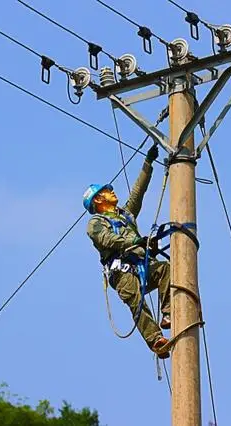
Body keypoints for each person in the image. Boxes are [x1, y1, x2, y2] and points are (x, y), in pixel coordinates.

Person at [83, 144, 171, 358]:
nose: (112, 192)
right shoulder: (95, 222)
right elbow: (107, 239)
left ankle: (168, 313)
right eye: (106, 191)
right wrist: (135, 241)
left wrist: (148, 164)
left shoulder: (126, 215)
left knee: (165, 270)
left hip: (142, 265)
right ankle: (155, 340)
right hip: (122, 272)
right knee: (136, 301)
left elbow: (138, 193)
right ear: (98, 199)